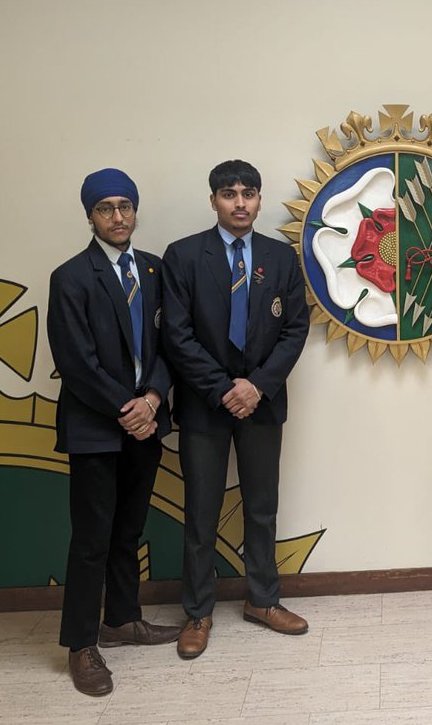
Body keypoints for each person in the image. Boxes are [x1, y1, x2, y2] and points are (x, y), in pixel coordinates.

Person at [162, 159, 310, 659]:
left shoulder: (281, 257)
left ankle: (263, 600)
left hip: (262, 405)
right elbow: (176, 336)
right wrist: (225, 388)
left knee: (261, 508)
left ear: (260, 200)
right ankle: (198, 612)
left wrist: (257, 387)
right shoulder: (182, 256)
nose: (240, 202)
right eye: (229, 194)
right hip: (206, 406)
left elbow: (294, 330)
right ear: (213, 201)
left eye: (249, 193)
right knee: (201, 511)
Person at [46, 169, 180, 697]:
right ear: (90, 216)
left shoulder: (152, 269)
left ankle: (123, 620)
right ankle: (81, 644)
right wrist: (127, 407)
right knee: (91, 540)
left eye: (125, 206)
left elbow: (171, 343)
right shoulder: (71, 276)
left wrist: (152, 400)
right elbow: (74, 361)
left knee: (128, 530)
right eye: (106, 208)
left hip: (144, 423)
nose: (118, 217)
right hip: (95, 427)